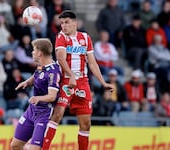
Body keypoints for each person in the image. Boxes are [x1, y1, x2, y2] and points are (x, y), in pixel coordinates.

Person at [42, 10, 114, 150]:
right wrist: (71, 76)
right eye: (61, 23)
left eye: (66, 23)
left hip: (82, 83)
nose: (63, 26)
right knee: (58, 114)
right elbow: (61, 59)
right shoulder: (61, 37)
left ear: (75, 23)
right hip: (65, 81)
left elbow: (92, 63)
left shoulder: (85, 38)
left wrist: (103, 82)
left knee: (86, 123)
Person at [10, 38, 61, 150]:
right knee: (15, 145)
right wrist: (27, 82)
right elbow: (37, 76)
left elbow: (52, 96)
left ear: (40, 53)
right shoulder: (40, 66)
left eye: (34, 50)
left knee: (35, 149)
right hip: (31, 111)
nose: (32, 52)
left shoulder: (53, 72)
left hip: (44, 114)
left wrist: (38, 98)